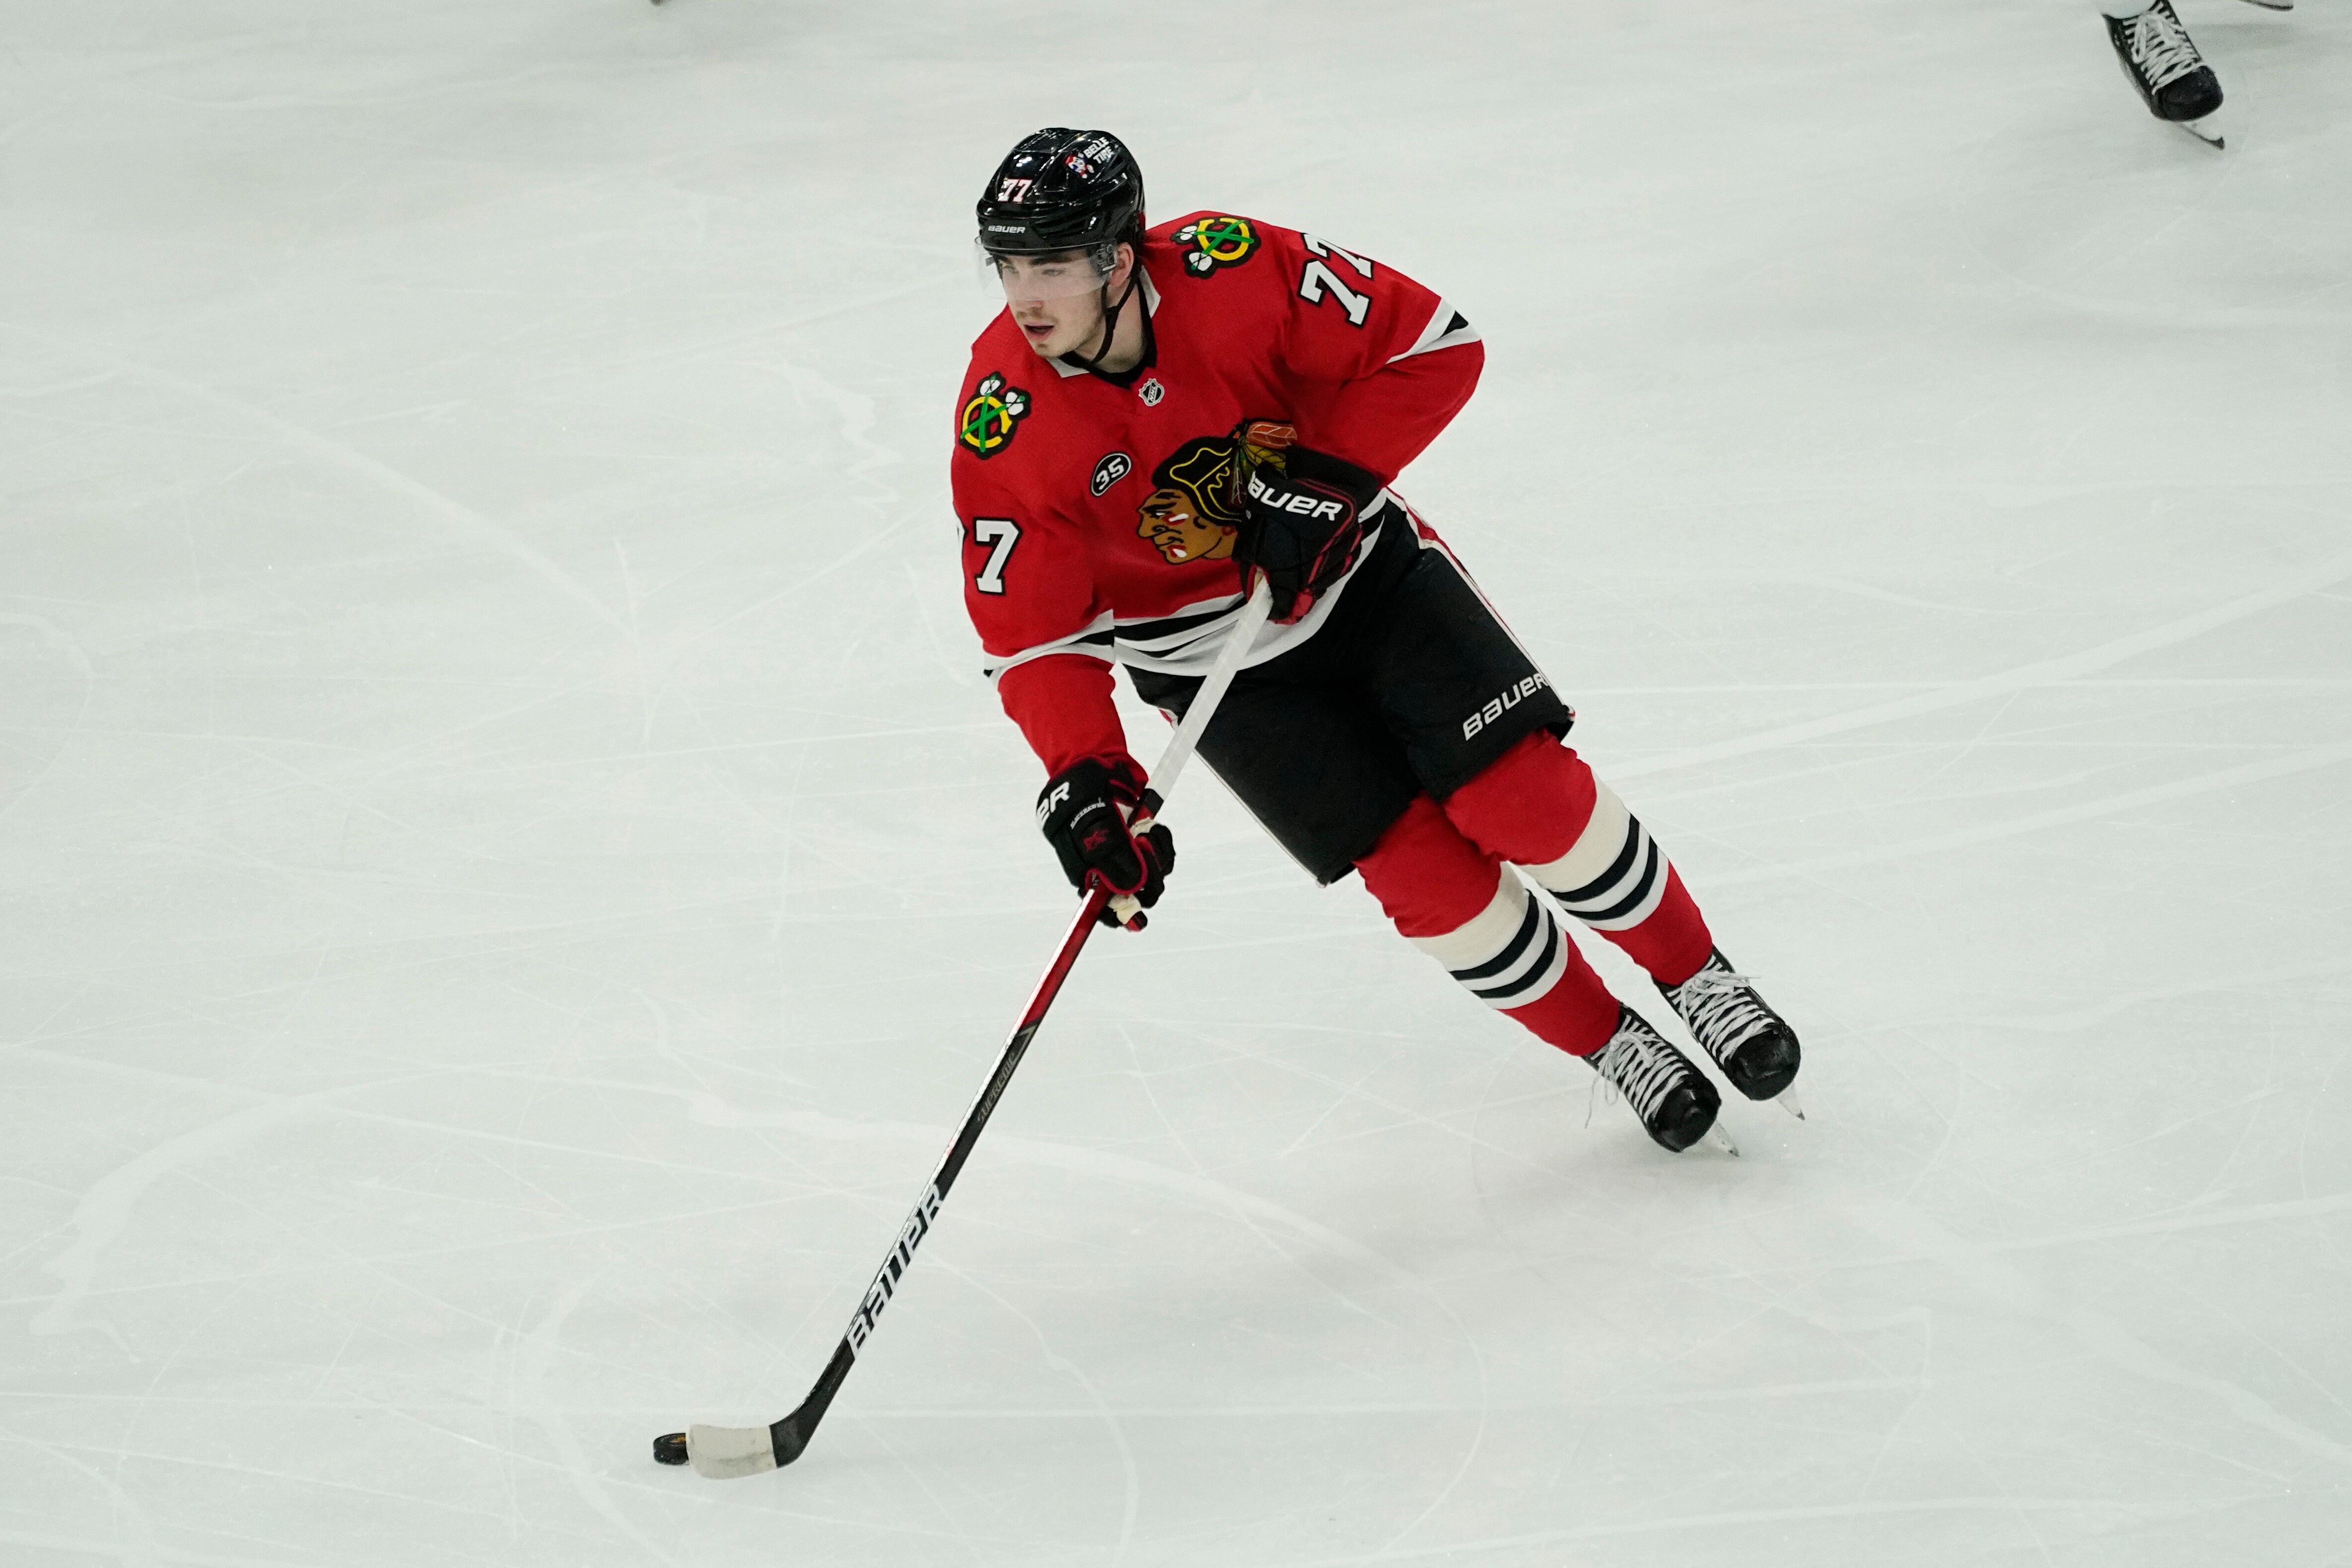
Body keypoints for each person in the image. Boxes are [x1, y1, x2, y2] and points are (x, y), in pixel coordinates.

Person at [950, 128, 1801, 1154]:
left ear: (1118, 256)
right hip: (1211, 667)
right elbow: (1033, 636)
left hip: (1363, 580)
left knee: (1518, 796)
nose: (1025, 294)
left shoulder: (1232, 265)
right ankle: (1612, 1041)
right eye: (1007, 264)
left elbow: (1434, 342)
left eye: (1049, 263)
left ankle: (1695, 973)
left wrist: (1327, 478)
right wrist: (1086, 778)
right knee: (1425, 880)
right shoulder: (1001, 418)